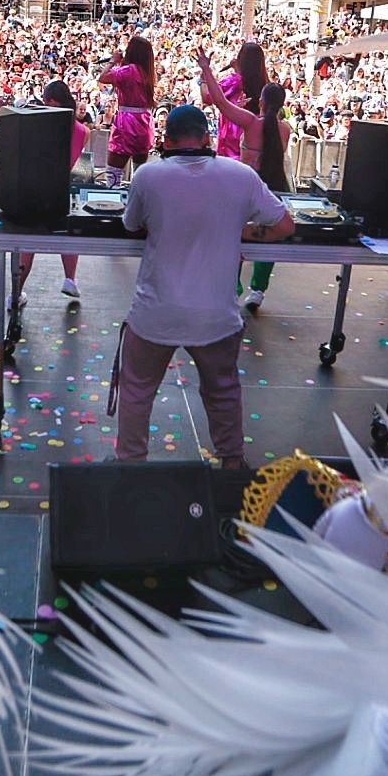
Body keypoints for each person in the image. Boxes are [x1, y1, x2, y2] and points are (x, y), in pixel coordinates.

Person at [110, 105, 294, 468]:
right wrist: (243, 231)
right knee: (223, 392)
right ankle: (231, 465)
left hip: (155, 313)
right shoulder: (240, 175)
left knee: (137, 390)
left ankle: (130, 466)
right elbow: (284, 225)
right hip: (217, 315)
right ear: (208, 138)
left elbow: (132, 226)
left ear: (166, 140)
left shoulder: (149, 176)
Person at [198, 50, 290, 313]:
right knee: (269, 237)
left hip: (245, 189)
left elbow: (218, 102)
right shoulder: (284, 129)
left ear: (260, 101)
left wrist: (206, 69)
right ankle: (258, 290)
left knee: (233, 236)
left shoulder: (251, 123)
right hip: (273, 189)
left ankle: (232, 286)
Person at [17, 80, 87, 301]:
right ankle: (70, 280)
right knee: (68, 235)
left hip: (34, 188)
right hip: (61, 188)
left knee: (28, 243)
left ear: (48, 101)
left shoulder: (39, 125)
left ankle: (16, 294)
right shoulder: (83, 130)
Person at [96, 34, 157, 186]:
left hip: (127, 121)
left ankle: (113, 203)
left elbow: (103, 78)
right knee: (139, 173)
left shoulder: (128, 70)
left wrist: (113, 61)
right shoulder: (148, 72)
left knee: (113, 173)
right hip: (144, 120)